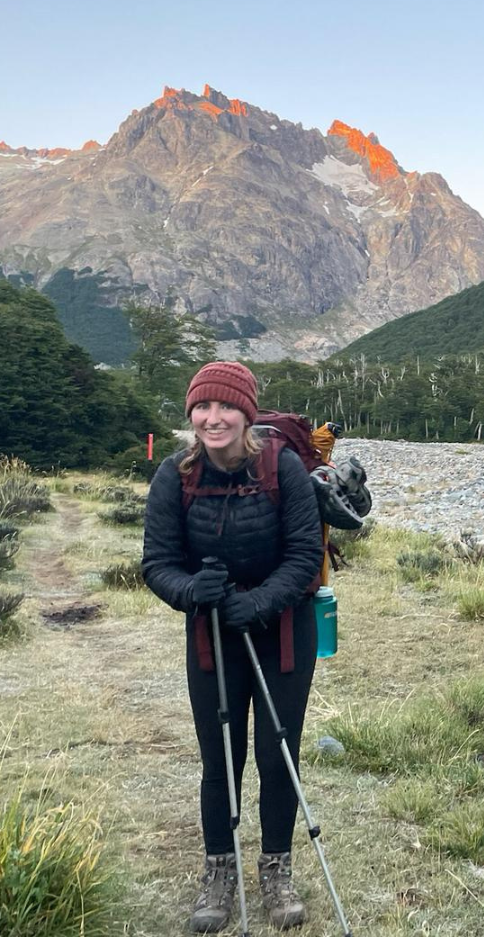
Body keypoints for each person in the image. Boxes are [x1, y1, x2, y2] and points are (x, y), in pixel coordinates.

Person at [142, 361, 324, 932]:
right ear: (191, 413)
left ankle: (277, 870)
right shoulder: (176, 475)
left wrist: (261, 602)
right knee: (219, 758)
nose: (212, 418)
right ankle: (218, 871)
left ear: (246, 413)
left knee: (278, 754)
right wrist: (192, 590)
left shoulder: (283, 467)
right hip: (211, 634)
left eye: (225, 408)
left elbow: (301, 557)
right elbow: (158, 564)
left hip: (284, 631)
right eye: (202, 408)